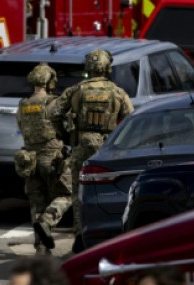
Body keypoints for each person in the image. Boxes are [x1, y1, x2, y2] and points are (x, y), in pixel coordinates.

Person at [52, 49, 134, 253]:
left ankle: (80, 236)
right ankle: (112, 232)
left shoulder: (75, 90)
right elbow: (131, 120)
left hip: (81, 147)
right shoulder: (117, 92)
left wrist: (63, 134)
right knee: (112, 191)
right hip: (108, 151)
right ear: (108, 68)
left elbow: (53, 113)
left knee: (79, 193)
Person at [14, 63, 73, 255]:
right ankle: (47, 221)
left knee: (37, 202)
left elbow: (22, 129)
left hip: (29, 160)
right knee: (67, 194)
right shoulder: (53, 103)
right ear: (49, 82)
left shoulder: (22, 105)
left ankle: (40, 247)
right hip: (51, 158)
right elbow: (66, 129)